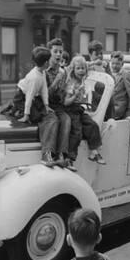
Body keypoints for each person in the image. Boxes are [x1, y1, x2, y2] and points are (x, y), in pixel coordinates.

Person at [1, 46, 57, 166]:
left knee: (41, 114)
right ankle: (15, 109)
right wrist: (26, 115)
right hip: (21, 97)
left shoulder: (42, 73)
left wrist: (46, 105)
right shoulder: (34, 77)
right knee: (35, 117)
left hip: (31, 96)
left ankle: (17, 110)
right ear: (46, 62)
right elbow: (29, 97)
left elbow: (44, 90)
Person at [64, 55, 106, 165]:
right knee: (76, 132)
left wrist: (95, 62)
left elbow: (86, 64)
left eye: (83, 68)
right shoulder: (71, 83)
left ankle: (93, 151)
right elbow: (65, 102)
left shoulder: (81, 78)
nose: (81, 70)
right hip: (70, 109)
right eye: (78, 68)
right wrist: (75, 95)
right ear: (73, 69)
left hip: (79, 108)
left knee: (92, 125)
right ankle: (70, 158)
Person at [46, 38, 75, 171]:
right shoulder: (45, 71)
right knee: (54, 121)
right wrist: (56, 81)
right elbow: (45, 94)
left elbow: (62, 96)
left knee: (67, 120)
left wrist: (67, 89)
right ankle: (49, 154)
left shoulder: (63, 72)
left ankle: (61, 155)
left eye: (60, 52)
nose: (58, 55)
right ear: (49, 53)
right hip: (45, 105)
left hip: (58, 105)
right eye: (55, 51)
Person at [109, 50, 130, 119]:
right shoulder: (110, 74)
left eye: (117, 64)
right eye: (113, 63)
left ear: (122, 64)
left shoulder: (125, 75)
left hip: (119, 106)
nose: (114, 66)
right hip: (110, 104)